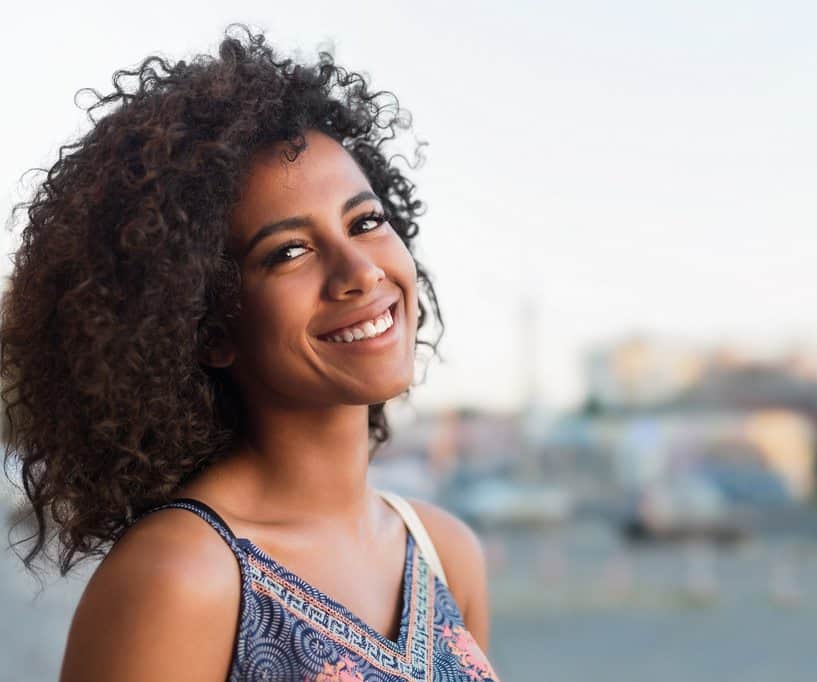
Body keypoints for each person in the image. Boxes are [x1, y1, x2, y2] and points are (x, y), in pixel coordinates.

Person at [1, 25, 499, 681]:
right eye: (288, 251)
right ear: (208, 329)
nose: (360, 271)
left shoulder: (443, 552)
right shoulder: (178, 579)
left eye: (366, 222)